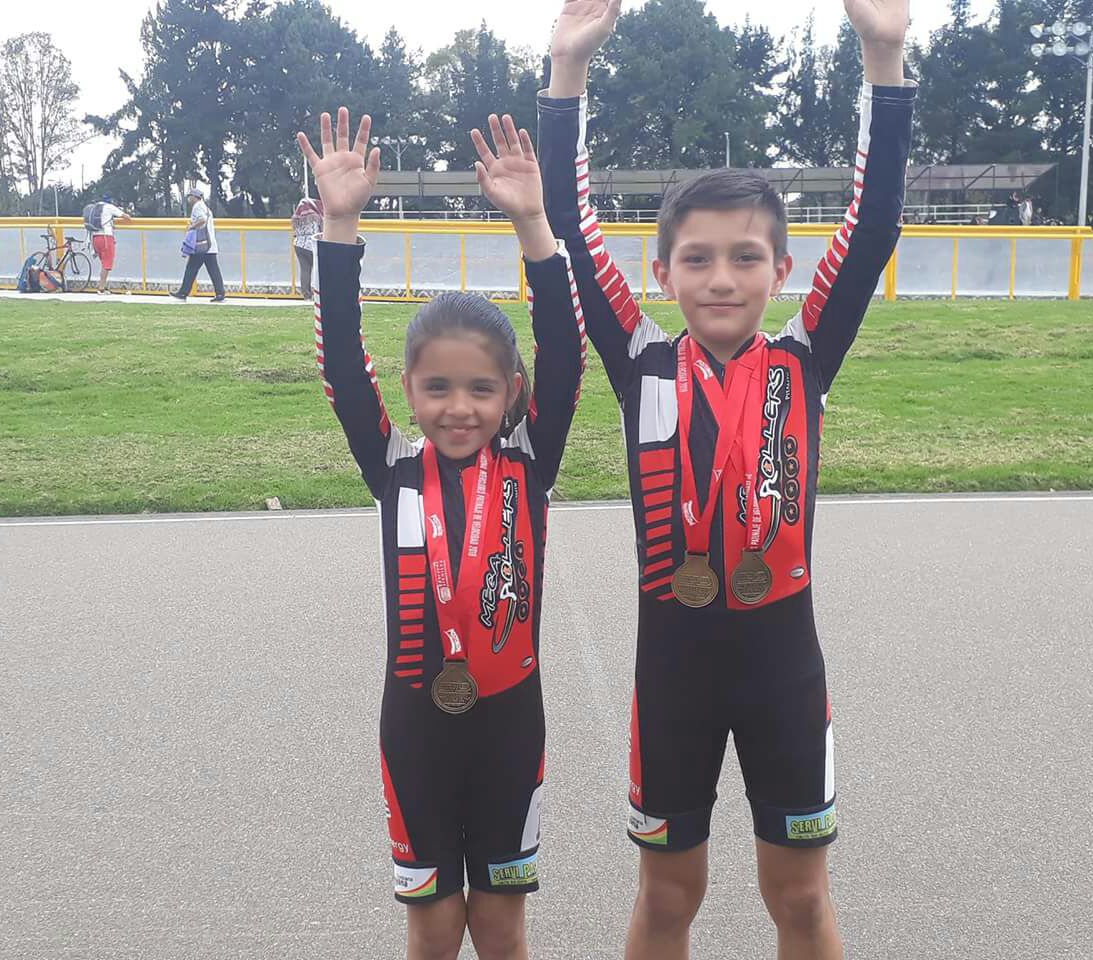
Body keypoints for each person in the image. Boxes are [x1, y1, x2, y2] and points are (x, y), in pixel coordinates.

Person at [538, 1, 915, 958]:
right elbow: (572, 230)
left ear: (782, 269)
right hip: (672, 676)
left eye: (746, 258)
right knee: (669, 898)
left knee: (801, 899)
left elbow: (873, 225)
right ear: (661, 272)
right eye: (696, 259)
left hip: (786, 672)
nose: (720, 278)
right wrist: (568, 73)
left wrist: (883, 55)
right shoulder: (640, 361)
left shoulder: (803, 357)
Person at [297, 105, 584, 960]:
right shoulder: (393, 465)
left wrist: (533, 224)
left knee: (499, 927)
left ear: (513, 393)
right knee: (431, 928)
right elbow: (341, 363)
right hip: (416, 731)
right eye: (437, 389)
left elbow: (566, 353)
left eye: (481, 390)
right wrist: (340, 224)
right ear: (410, 391)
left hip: (511, 728)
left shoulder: (528, 461)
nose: (460, 408)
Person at [170, 187, 226, 302]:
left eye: (190, 196)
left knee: (191, 268)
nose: (188, 199)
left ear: (194, 197)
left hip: (201, 245)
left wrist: (192, 226)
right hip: (209, 245)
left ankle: (183, 292)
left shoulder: (197, 207)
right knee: (213, 270)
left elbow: (202, 220)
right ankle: (220, 293)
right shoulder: (205, 207)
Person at [85, 194, 132, 294]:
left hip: (95, 238)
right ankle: (101, 288)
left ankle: (102, 286)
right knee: (107, 264)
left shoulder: (94, 207)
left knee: (104, 264)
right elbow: (126, 217)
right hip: (106, 238)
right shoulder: (109, 207)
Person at [292, 194, 324, 299]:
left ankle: (306, 295)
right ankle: (319, 293)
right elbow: (320, 231)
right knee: (319, 270)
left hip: (298, 245)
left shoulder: (297, 217)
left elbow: (294, 232)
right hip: (312, 245)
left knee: (305, 270)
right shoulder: (315, 216)